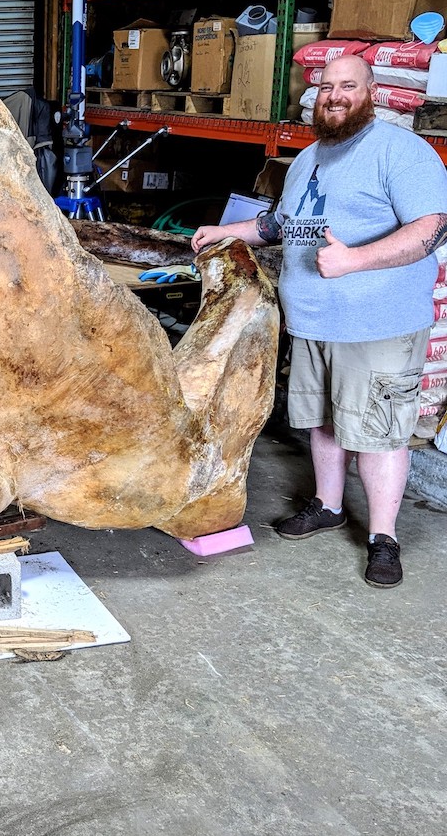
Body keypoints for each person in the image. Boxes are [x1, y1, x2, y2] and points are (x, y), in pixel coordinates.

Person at [191, 54, 447, 589]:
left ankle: (383, 537)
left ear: (371, 91)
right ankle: (328, 506)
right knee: (322, 422)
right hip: (313, 321)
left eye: (347, 86)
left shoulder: (400, 151)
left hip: (376, 323)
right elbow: (283, 224)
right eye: (326, 86)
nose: (334, 96)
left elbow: (433, 227)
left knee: (378, 432)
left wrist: (356, 260)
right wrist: (227, 231)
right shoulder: (308, 158)